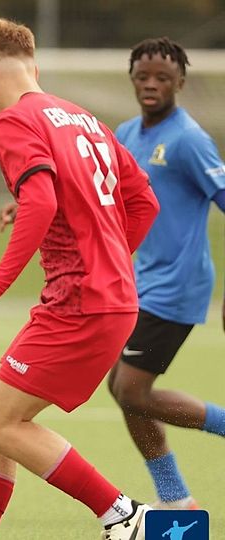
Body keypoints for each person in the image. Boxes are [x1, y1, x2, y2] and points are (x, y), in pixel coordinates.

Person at [0, 18, 160, 540]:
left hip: (80, 301)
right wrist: (108, 257)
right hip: (109, 297)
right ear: (34, 67)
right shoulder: (84, 119)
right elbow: (143, 201)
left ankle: (124, 516)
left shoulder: (13, 122)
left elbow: (41, 198)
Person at [105, 38, 225, 511]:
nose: (151, 85)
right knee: (122, 389)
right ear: (132, 79)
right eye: (143, 76)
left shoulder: (189, 139)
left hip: (178, 286)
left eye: (162, 78)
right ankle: (177, 501)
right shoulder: (126, 133)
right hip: (139, 284)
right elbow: (100, 193)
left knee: (131, 389)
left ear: (180, 83)